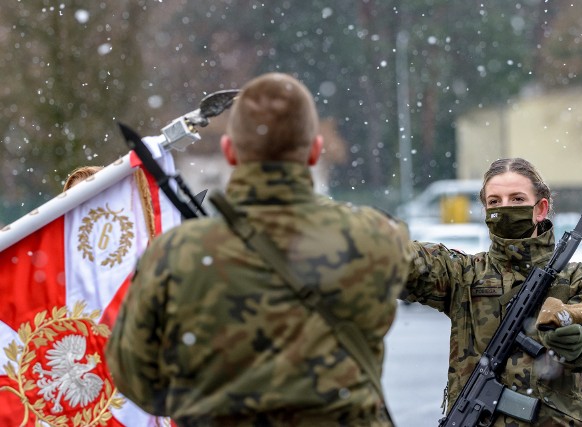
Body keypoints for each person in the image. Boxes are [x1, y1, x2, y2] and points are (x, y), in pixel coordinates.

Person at [106, 72, 413, 426]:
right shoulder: (377, 238)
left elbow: (136, 379)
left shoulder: (174, 253)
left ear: (229, 151)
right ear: (314, 150)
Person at [403, 157, 582, 426]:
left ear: (540, 208)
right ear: (485, 210)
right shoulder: (464, 273)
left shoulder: (576, 277)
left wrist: (579, 342)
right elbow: (406, 260)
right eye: (495, 202)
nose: (505, 208)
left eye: (517, 199)